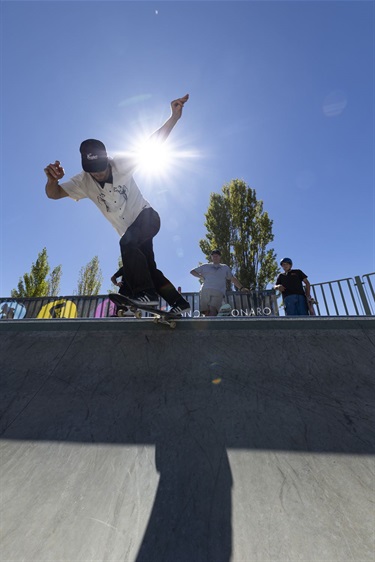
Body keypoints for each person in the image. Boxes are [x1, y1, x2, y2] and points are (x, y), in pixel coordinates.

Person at [44, 94, 190, 315]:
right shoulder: (82, 182)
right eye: (95, 171)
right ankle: (179, 303)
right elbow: (53, 194)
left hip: (148, 217)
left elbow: (153, 142)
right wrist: (51, 180)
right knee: (148, 269)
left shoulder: (122, 162)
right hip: (131, 230)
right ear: (86, 169)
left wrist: (174, 117)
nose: (101, 173)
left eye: (103, 167)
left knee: (127, 243)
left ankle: (146, 296)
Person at [190, 250, 249, 316]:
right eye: (213, 256)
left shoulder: (224, 267)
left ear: (220, 257)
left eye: (217, 256)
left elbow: (232, 278)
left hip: (218, 291)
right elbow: (192, 271)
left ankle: (212, 322)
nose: (215, 257)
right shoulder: (205, 266)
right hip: (205, 290)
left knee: (213, 309)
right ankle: (206, 321)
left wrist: (241, 288)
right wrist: (201, 277)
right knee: (205, 311)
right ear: (211, 257)